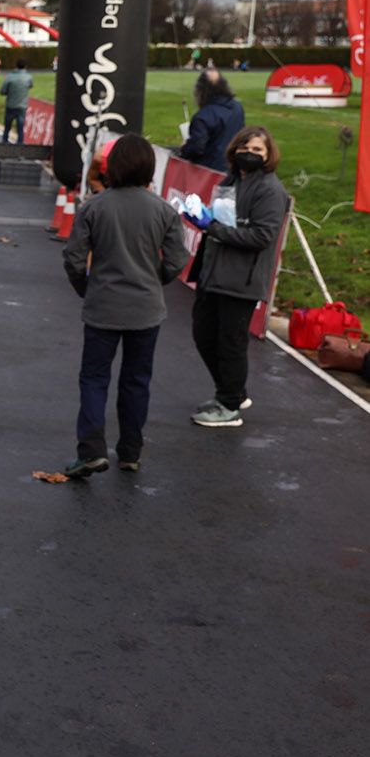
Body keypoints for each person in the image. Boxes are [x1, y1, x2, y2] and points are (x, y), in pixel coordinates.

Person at [59, 134, 190, 477]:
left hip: (103, 305)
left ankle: (90, 449)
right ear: (150, 167)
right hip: (146, 310)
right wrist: (154, 280)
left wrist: (86, 288)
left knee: (94, 379)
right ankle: (130, 451)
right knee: (136, 381)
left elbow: (73, 258)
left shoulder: (94, 207)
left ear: (111, 166)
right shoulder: (162, 210)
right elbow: (177, 259)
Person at [183, 126, 289, 428]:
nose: (250, 154)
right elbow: (224, 218)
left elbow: (262, 236)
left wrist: (211, 227)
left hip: (241, 279)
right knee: (204, 335)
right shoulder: (231, 181)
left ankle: (229, 406)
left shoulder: (270, 189)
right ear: (234, 149)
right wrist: (201, 215)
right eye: (246, 147)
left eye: (258, 150)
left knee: (230, 343)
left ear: (269, 156)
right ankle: (231, 392)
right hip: (214, 272)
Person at [179, 70, 244, 172]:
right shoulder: (237, 107)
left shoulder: (203, 116)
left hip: (210, 172)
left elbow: (196, 148)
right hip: (233, 168)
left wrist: (185, 148)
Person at [0, 58, 34, 145]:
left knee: (7, 126)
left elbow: (2, 91)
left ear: (16, 66)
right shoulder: (28, 77)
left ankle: (4, 142)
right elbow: (30, 85)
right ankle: (20, 144)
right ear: (25, 66)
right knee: (20, 127)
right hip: (22, 106)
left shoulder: (9, 77)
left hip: (11, 105)